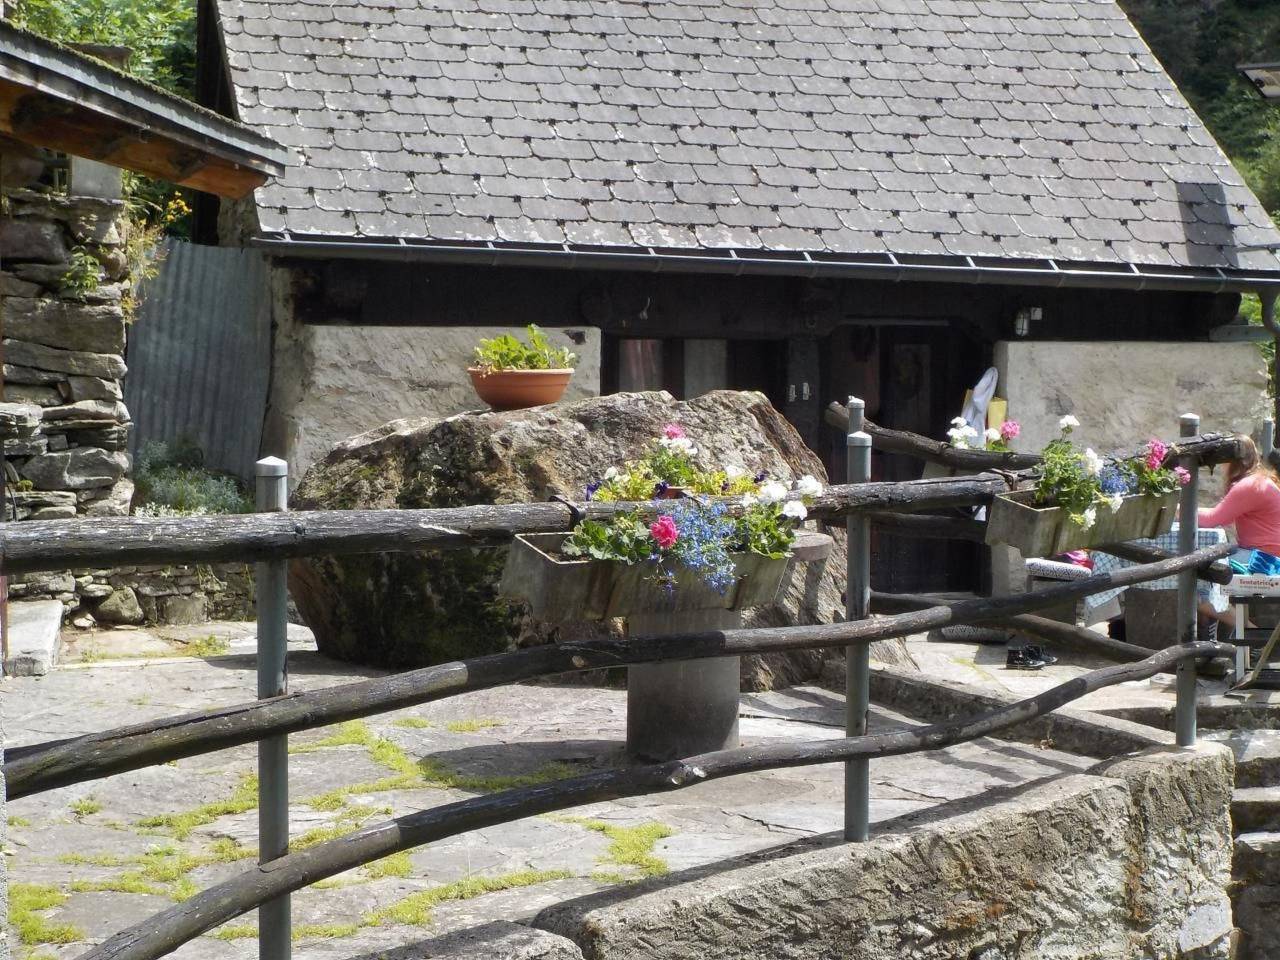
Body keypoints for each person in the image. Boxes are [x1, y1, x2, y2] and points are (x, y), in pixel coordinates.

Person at [1197, 436, 1280, 630]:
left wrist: (1177, 511)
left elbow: (1214, 519)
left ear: (1230, 462)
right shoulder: (1261, 482)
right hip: (1267, 557)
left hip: (1264, 560)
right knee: (1204, 573)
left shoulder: (1250, 486)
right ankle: (1213, 638)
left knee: (1194, 584)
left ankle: (1252, 634)